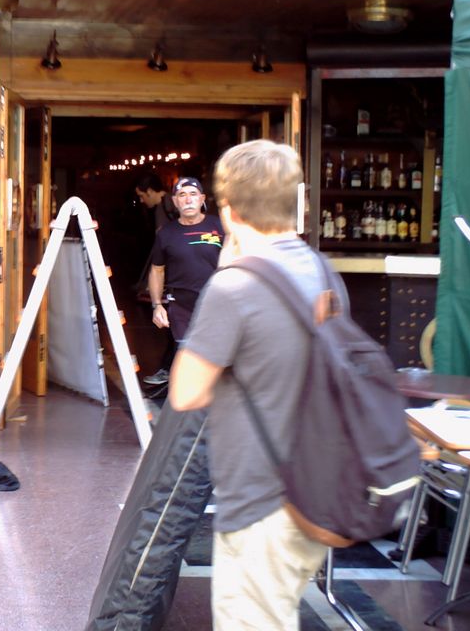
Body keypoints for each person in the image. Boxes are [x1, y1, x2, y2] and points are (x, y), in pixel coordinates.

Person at [168, 140, 333, 630]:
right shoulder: (320, 269)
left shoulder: (235, 285)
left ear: (229, 211)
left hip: (261, 502)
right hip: (316, 489)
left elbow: (186, 392)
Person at [142, 177, 224, 386]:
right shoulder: (166, 233)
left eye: (193, 194)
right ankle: (189, 401)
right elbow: (157, 270)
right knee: (188, 360)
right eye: (182, 195)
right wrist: (157, 305)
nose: (188, 200)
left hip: (216, 304)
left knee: (217, 360)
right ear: (175, 201)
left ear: (202, 199)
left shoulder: (219, 226)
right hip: (181, 307)